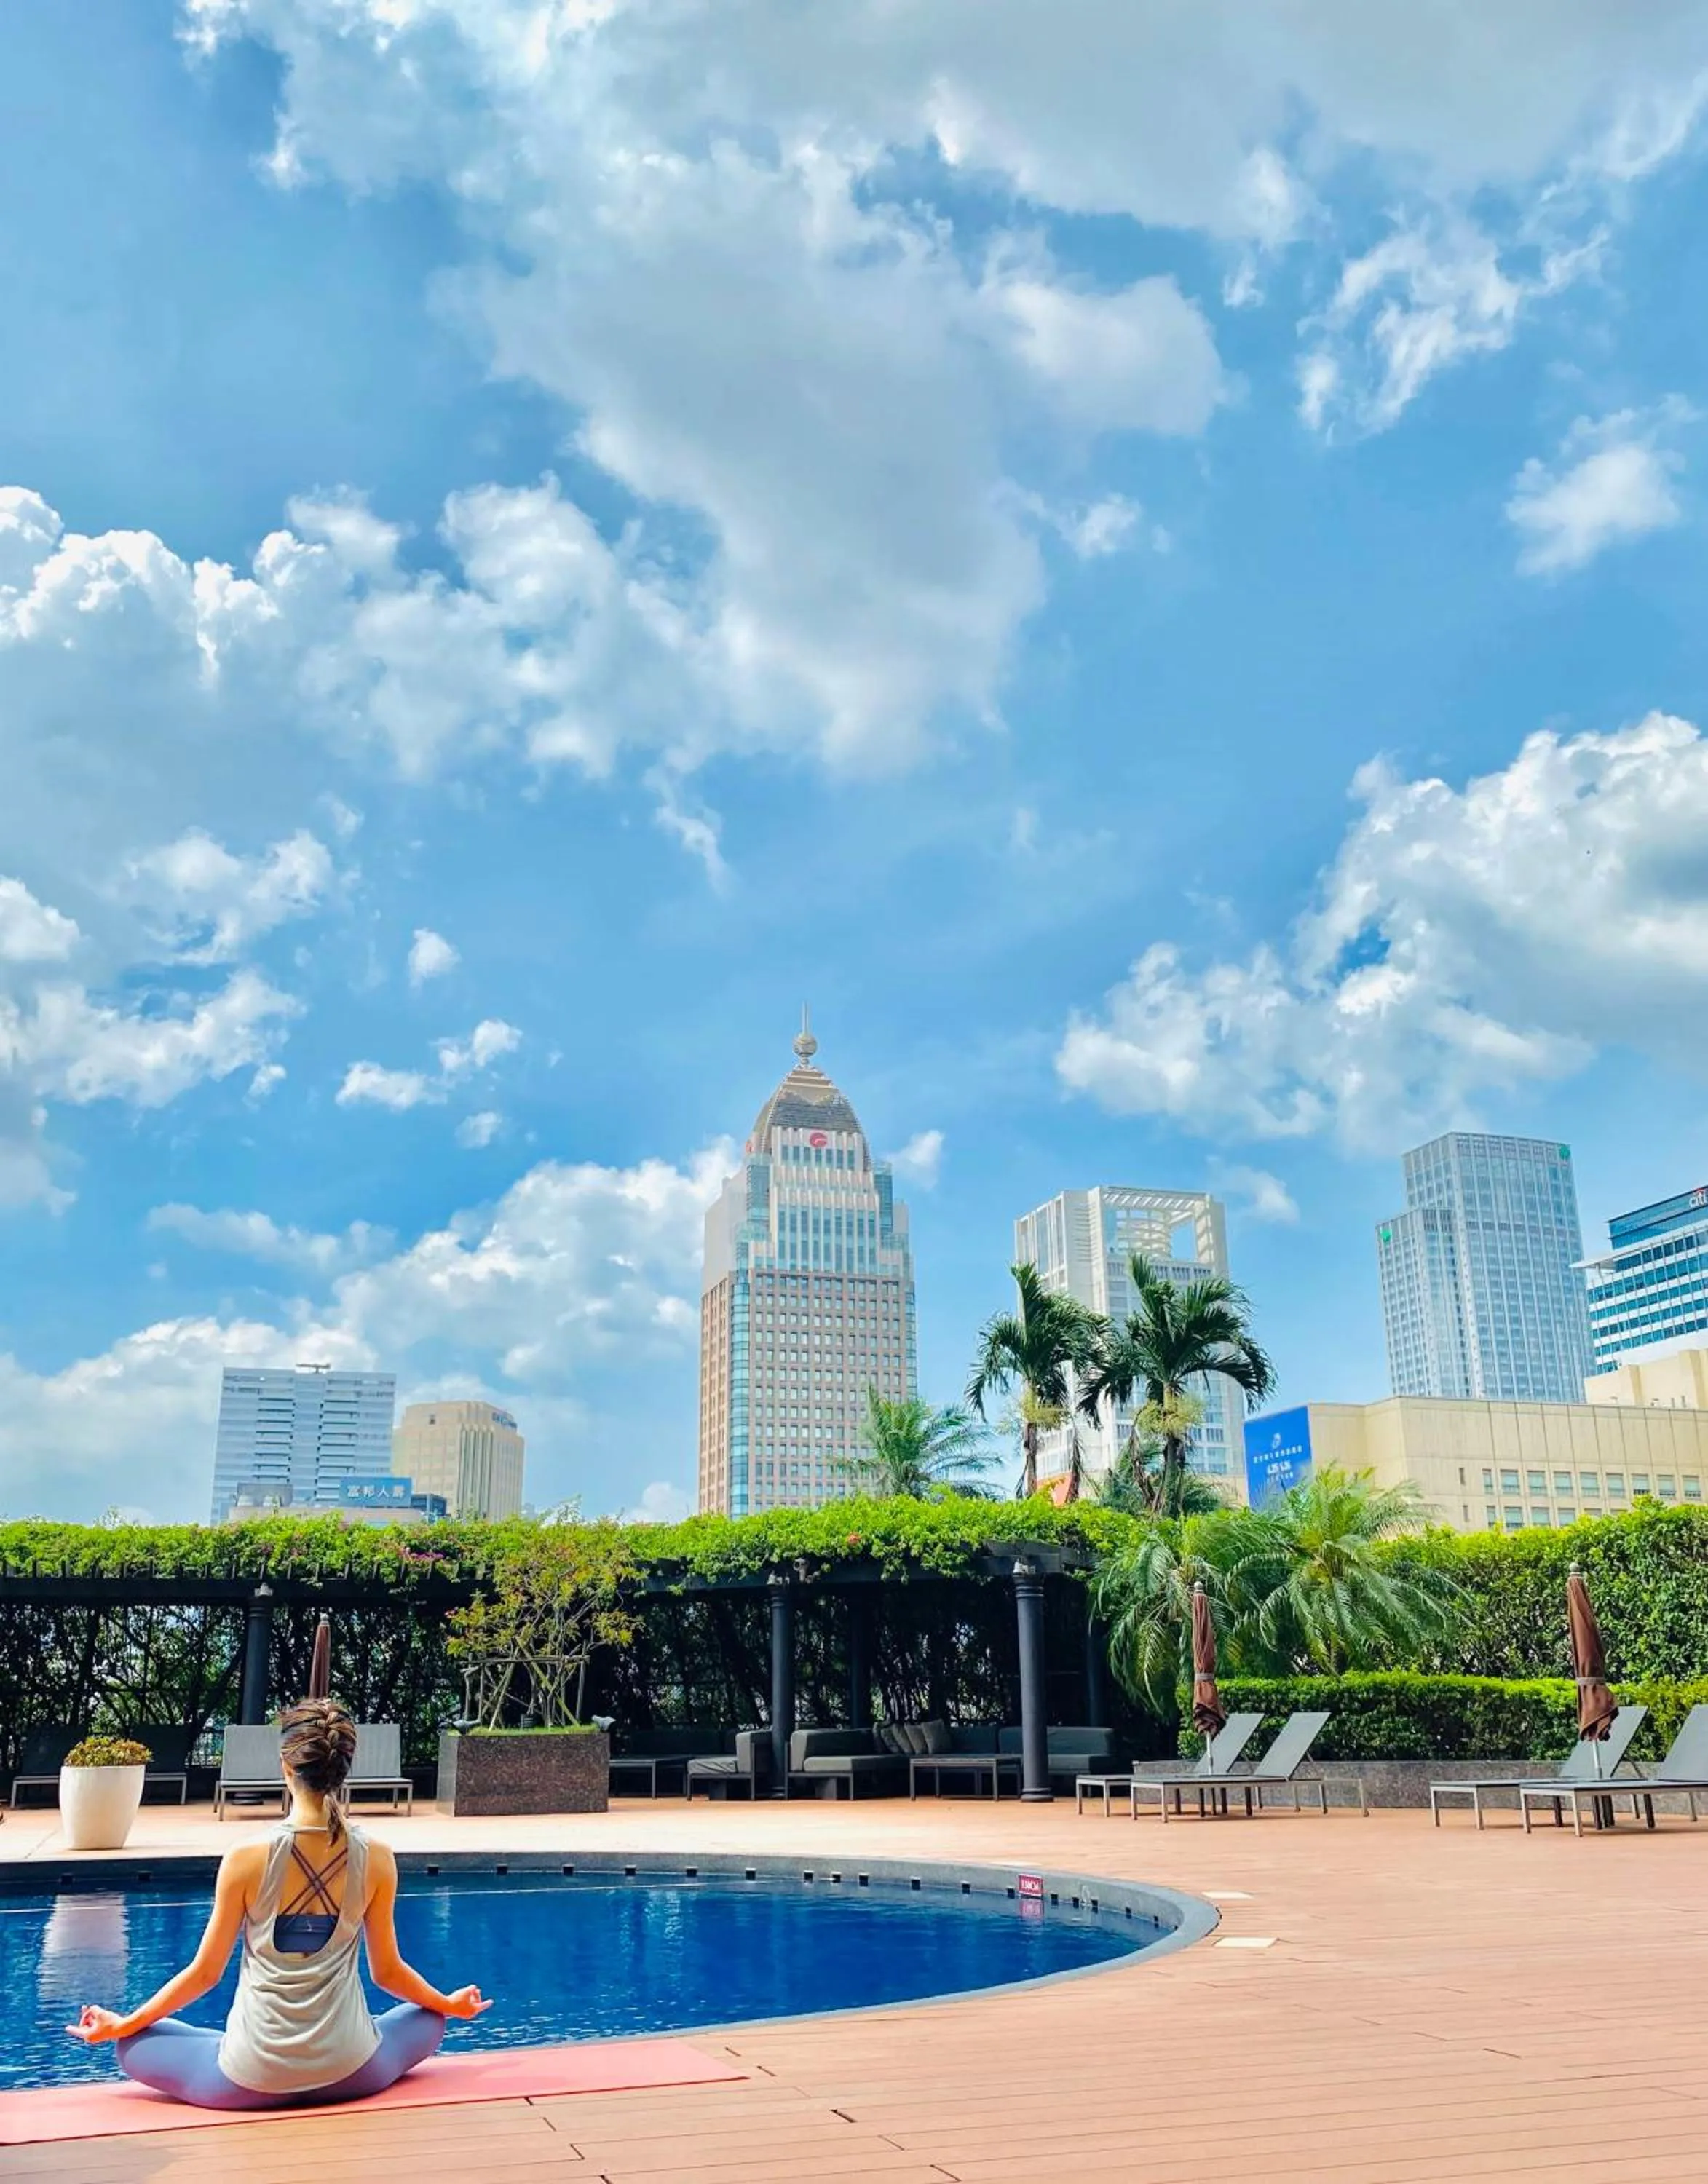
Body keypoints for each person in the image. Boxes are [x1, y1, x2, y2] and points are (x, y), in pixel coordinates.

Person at [66, 1698, 490, 2109]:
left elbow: (204, 1975)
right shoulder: (376, 1857)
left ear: (286, 1767)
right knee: (429, 2018)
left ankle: (211, 2051)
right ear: (342, 1771)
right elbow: (388, 1973)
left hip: (251, 2079)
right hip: (354, 2071)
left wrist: (125, 2024)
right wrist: (449, 2005)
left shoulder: (246, 1858)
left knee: (133, 2045)